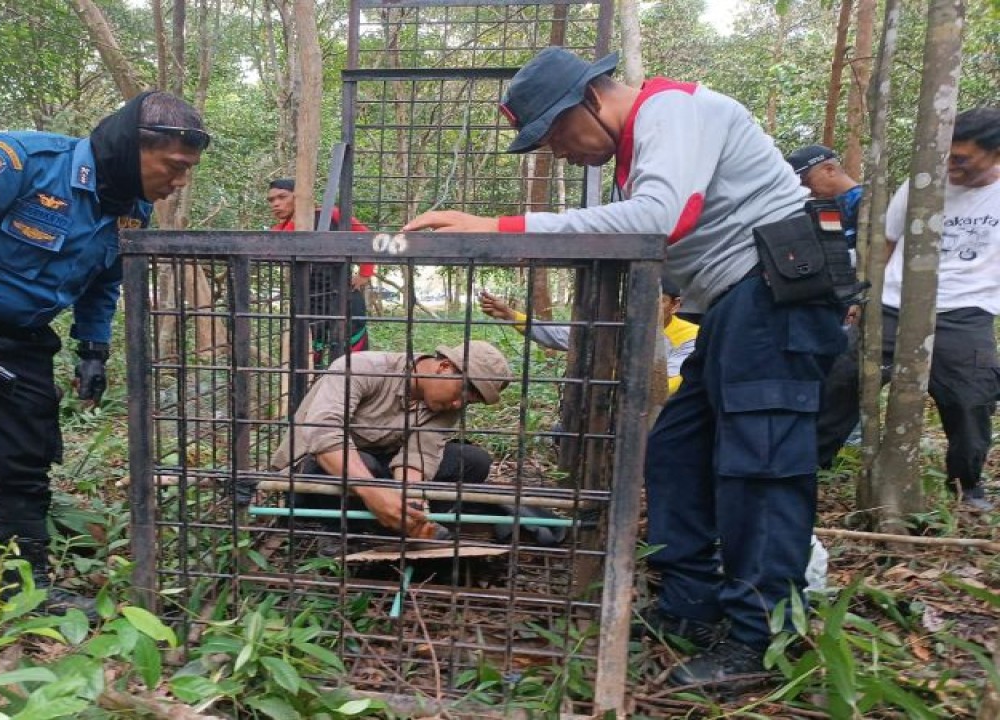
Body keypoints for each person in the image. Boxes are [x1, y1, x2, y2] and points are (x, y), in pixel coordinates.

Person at [403, 47, 847, 687]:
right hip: (729, 306)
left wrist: (500, 225)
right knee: (676, 451)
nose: (558, 152)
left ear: (590, 100)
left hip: (772, 296)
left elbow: (656, 223)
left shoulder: (672, 110)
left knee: (761, 464)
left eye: (555, 134)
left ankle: (762, 638)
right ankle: (689, 607)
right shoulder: (638, 152)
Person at [0, 91, 209, 619]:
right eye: (175, 166)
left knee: (25, 461)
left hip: (23, 338)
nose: (180, 181)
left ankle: (26, 589)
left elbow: (103, 282)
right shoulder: (17, 165)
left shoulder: (132, 211)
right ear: (132, 147)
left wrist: (92, 347)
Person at [813, 107, 1000, 511]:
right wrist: (866, 297)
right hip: (893, 304)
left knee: (971, 401)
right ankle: (810, 465)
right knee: (841, 382)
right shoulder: (921, 185)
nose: (952, 166)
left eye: (963, 159)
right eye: (947, 156)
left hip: (965, 311)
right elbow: (887, 244)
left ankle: (966, 484)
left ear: (995, 153)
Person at [270, 341, 513, 541]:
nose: (459, 404)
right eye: (462, 392)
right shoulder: (363, 367)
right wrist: (373, 492)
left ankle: (403, 524)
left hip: (379, 466)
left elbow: (419, 455)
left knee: (472, 460)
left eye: (469, 401)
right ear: (444, 367)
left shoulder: (447, 404)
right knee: (364, 466)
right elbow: (324, 433)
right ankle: (342, 533)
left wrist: (413, 502)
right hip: (319, 468)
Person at [478, 278, 698, 395]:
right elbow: (563, 336)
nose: (647, 308)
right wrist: (511, 315)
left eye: (658, 301)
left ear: (675, 305)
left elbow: (670, 386)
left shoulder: (690, 336)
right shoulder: (618, 326)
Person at [787, 144, 865, 467]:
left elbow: (878, 254)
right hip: (829, 302)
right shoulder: (818, 208)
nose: (807, 187)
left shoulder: (864, 201)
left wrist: (858, 298)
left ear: (830, 169)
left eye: (808, 178)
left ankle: (848, 443)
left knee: (846, 372)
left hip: (857, 301)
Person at [267, 178, 376, 368]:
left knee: (353, 358)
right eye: (271, 200)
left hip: (344, 299)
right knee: (310, 359)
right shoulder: (281, 229)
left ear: (298, 197)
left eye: (282, 197)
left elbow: (367, 238)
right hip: (311, 303)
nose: (276, 204)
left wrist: (365, 274)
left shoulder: (332, 215)